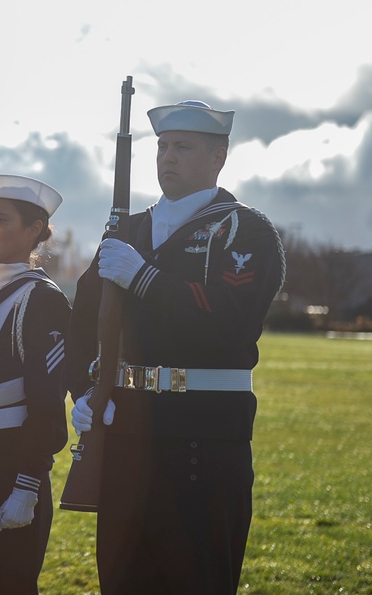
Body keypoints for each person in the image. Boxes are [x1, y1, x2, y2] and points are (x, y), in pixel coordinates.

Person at [67, 100, 285, 594]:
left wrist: (145, 278)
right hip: (127, 438)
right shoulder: (129, 229)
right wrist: (84, 391)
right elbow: (80, 323)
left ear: (218, 157)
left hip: (203, 443)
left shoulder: (244, 230)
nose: (168, 156)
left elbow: (231, 319)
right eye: (163, 146)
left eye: (183, 147)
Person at [0, 175, 70, 594]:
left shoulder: (42, 298)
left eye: (1, 220)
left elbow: (47, 403)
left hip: (10, 461)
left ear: (34, 230)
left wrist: (27, 484)